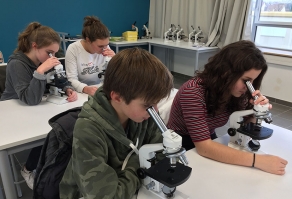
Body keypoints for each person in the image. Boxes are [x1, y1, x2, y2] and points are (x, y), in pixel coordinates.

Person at [59, 48, 173, 199]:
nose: (155, 111)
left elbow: (162, 158)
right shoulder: (88, 129)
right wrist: (140, 166)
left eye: (156, 103)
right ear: (117, 97)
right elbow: (107, 196)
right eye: (148, 106)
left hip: (131, 189)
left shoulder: (146, 114)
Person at [167, 40, 288, 175]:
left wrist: (256, 111)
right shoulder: (193, 91)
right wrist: (258, 161)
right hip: (181, 143)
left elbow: (246, 124)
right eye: (246, 81)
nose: (248, 87)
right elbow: (204, 148)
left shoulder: (234, 90)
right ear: (226, 73)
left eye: (253, 81)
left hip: (208, 136)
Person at [0, 22, 78, 189]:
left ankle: (52, 168)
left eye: (55, 53)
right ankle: (28, 169)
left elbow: (59, 79)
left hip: (35, 109)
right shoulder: (17, 64)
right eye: (49, 52)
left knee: (60, 129)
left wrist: (68, 88)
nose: (52, 57)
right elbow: (30, 98)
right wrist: (41, 71)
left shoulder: (44, 59)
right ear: (34, 46)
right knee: (49, 135)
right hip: (12, 109)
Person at [65, 16, 115, 96]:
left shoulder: (105, 47)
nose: (104, 48)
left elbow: (115, 75)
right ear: (88, 40)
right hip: (82, 93)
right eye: (100, 46)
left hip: (101, 89)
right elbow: (71, 79)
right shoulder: (73, 49)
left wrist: (116, 60)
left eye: (107, 45)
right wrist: (85, 88)